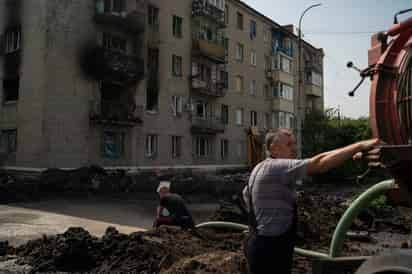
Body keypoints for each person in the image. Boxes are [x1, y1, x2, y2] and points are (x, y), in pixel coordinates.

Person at [242, 128, 380, 274]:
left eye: (294, 144)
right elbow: (319, 164)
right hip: (270, 250)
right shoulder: (276, 168)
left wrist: (351, 152)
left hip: (260, 244)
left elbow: (246, 194)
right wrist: (358, 146)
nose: (294, 149)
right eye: (289, 144)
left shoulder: (261, 167)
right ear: (273, 148)